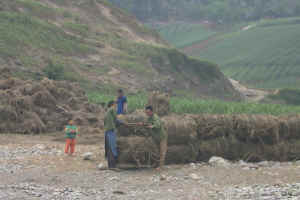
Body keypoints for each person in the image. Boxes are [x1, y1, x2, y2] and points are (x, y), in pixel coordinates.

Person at [139, 106, 168, 170]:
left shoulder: (155, 117)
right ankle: (157, 164)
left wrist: (152, 126)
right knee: (156, 151)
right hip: (155, 138)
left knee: (162, 152)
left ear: (152, 112)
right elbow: (146, 123)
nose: (147, 113)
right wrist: (142, 124)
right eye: (146, 112)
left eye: (148, 112)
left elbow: (158, 125)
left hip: (161, 137)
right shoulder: (149, 118)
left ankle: (160, 166)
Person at [104, 100, 119, 169]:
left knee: (109, 147)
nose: (116, 105)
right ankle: (113, 166)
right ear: (113, 104)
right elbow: (116, 120)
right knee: (113, 148)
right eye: (115, 104)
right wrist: (123, 122)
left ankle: (110, 165)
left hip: (107, 131)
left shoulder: (107, 112)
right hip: (111, 131)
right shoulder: (112, 109)